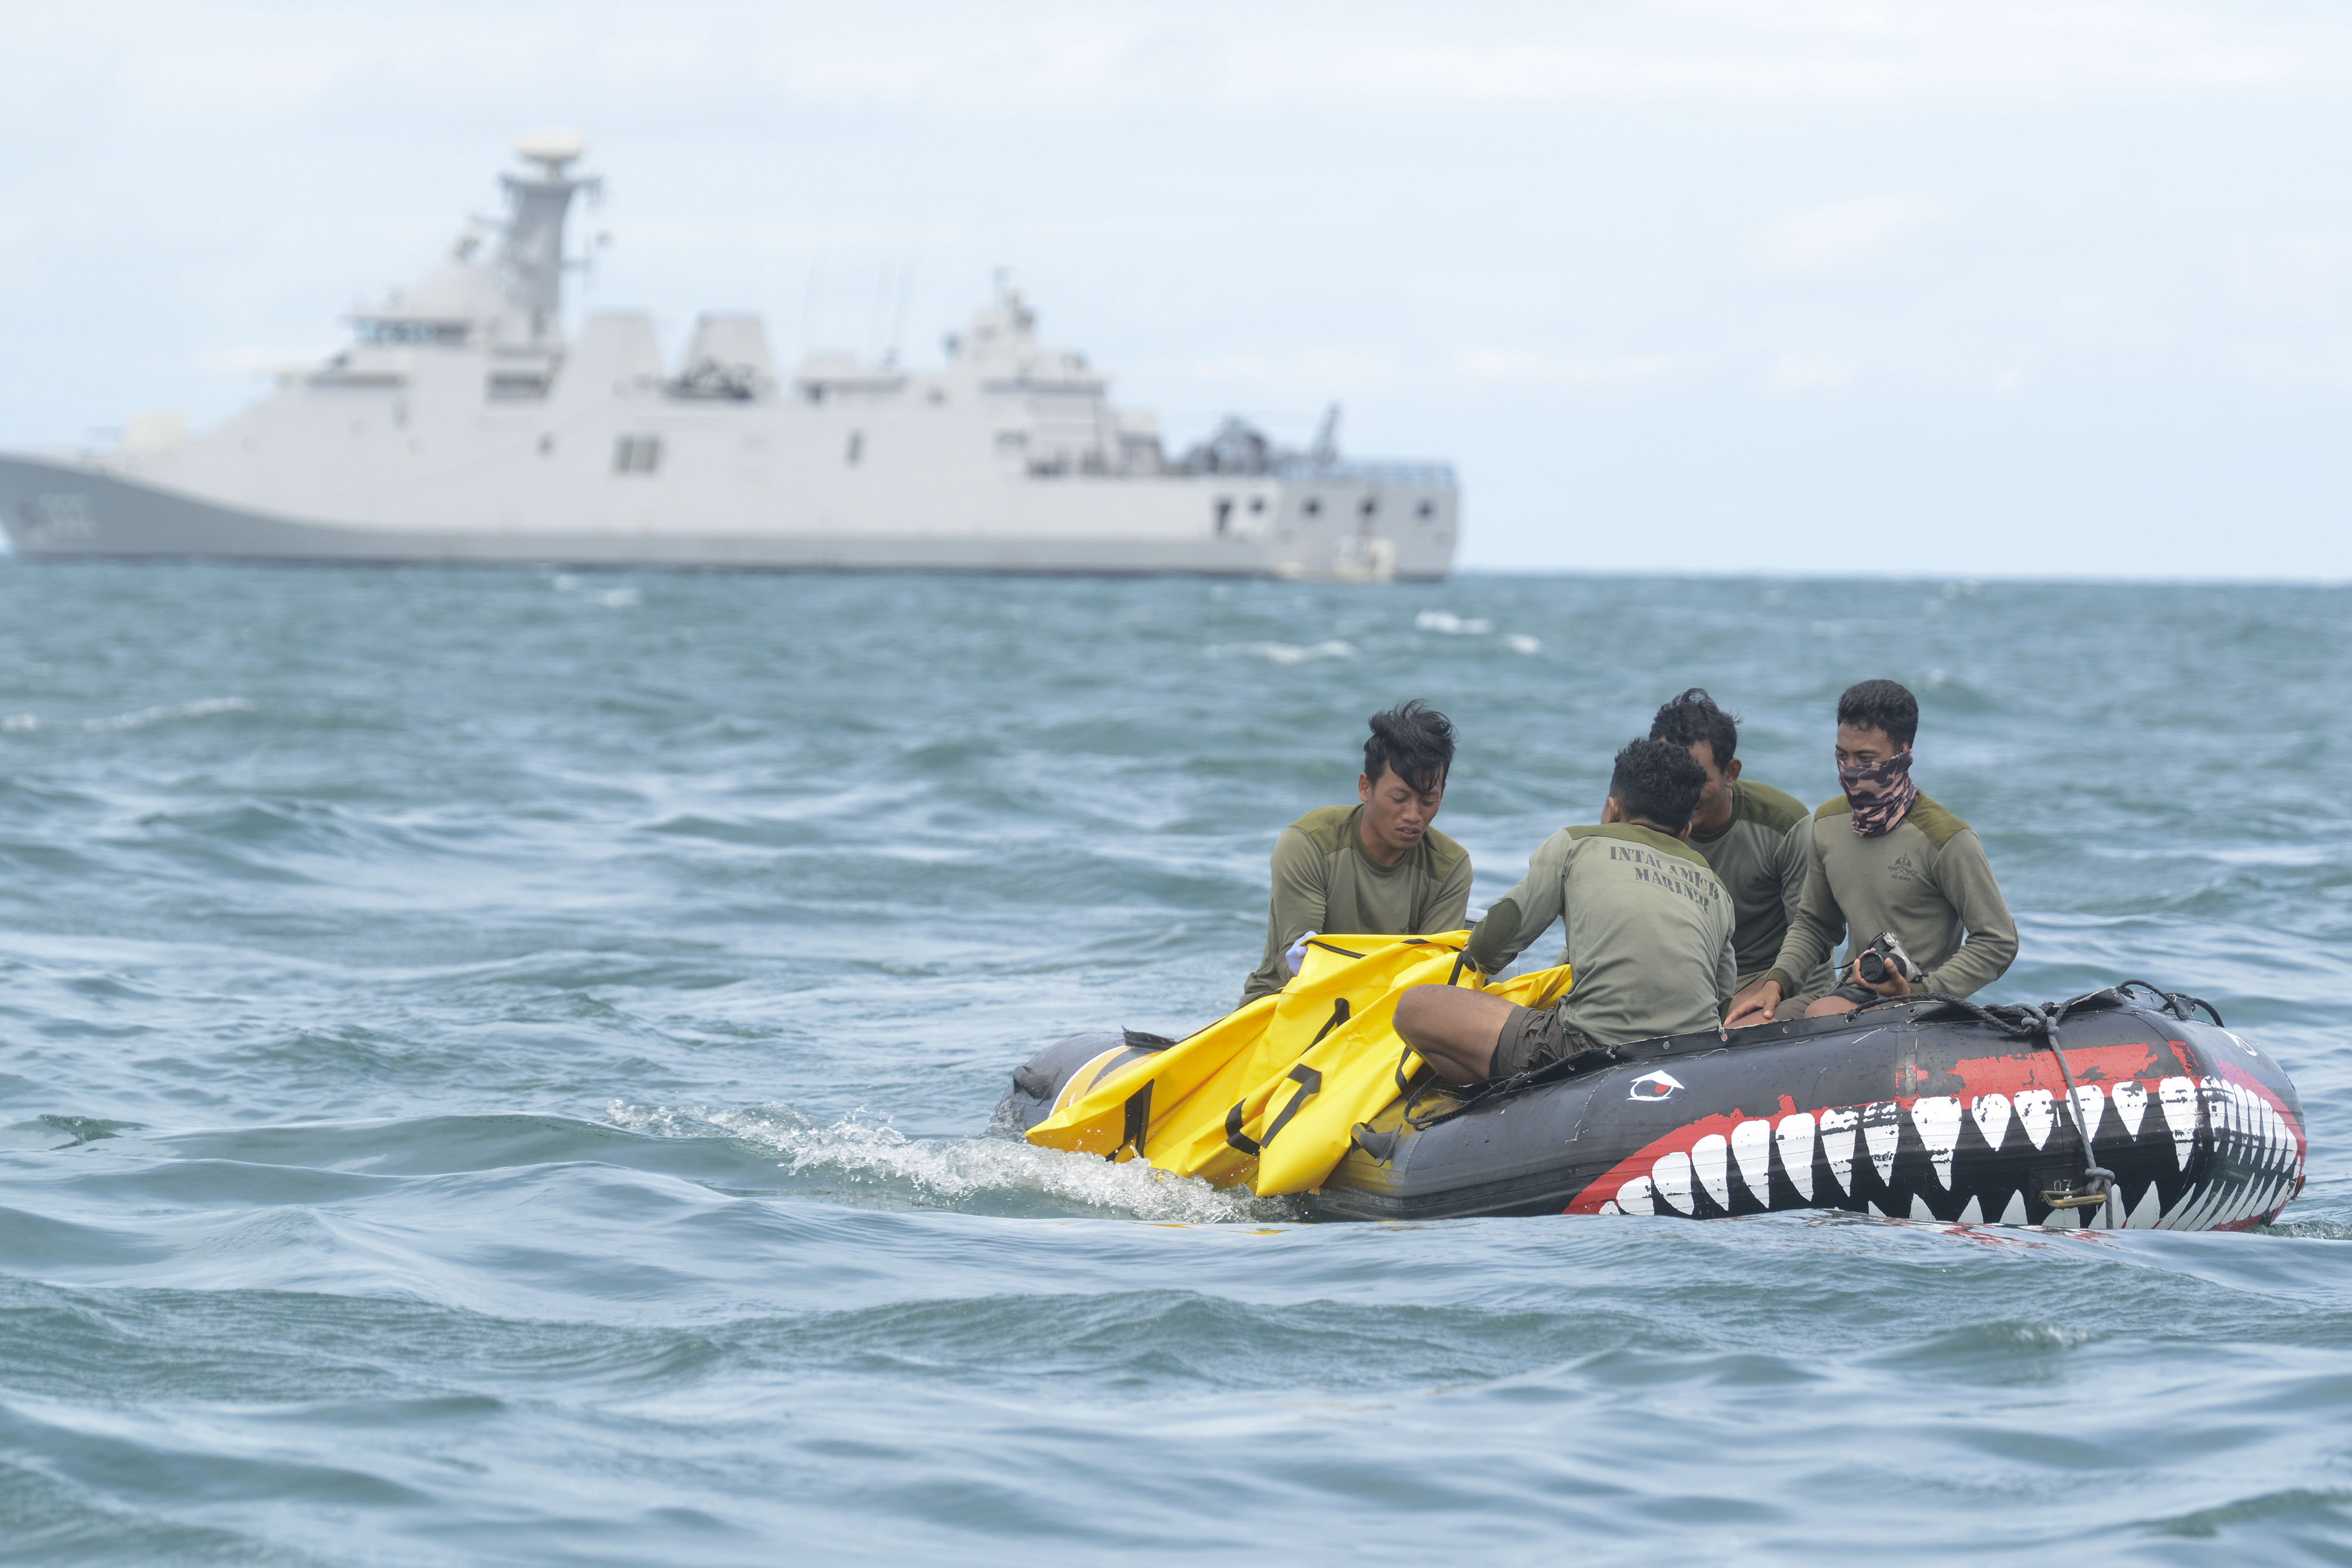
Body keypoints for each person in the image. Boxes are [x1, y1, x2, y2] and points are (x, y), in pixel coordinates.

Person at [1395, 738, 1735, 1085]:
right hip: (1693, 1059)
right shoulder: (1716, 887)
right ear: (1686, 832)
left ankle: (1495, 1102)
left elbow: (1491, 946)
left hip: (1588, 1051)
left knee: (1416, 1008)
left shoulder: (1575, 845)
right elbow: (1721, 997)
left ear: (1612, 810)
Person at [1726, 679, 2017, 1027]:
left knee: (1822, 1016)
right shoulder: (1828, 824)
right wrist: (1776, 983)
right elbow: (1815, 923)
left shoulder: (1947, 839)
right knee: (1740, 1027)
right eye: (1842, 756)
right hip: (1850, 993)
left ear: (1903, 753)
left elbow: (1998, 940)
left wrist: (1924, 992)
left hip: (1921, 1007)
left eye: (1865, 758)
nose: (1850, 770)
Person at [1238, 700, 1472, 1005]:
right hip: (1285, 1004)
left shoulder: (1450, 867)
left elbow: (1429, 982)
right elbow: (1291, 968)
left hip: (1388, 1017)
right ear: (1365, 788)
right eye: (1399, 798)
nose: (1414, 815)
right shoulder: (1308, 844)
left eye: (1429, 800)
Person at [1648, 687, 1831, 1012]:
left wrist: (1774, 987)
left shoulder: (1784, 824)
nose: (1679, 795)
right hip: (1684, 984)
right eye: (1667, 779)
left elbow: (1811, 935)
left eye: (1695, 780)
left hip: (1773, 981)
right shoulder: (1644, 822)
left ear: (1730, 773)